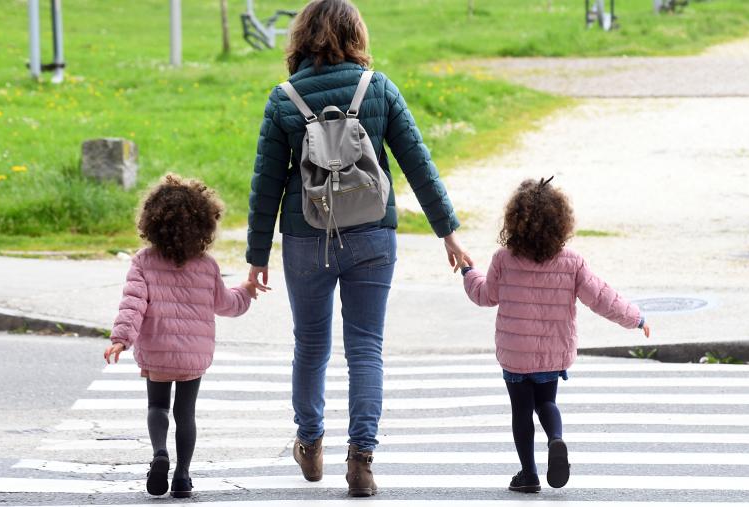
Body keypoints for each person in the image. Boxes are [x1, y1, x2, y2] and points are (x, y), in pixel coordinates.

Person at [245, 0, 472, 497]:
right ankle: (361, 461)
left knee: (310, 345)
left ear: (301, 37)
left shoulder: (284, 99)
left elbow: (266, 185)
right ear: (356, 35)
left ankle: (310, 444)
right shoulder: (379, 88)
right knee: (366, 348)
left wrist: (257, 257)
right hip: (372, 233)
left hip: (306, 238)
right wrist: (448, 233)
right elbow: (417, 164)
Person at [461, 177, 650, 493]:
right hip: (553, 353)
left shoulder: (503, 259)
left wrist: (469, 273)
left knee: (521, 411)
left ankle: (528, 475)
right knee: (546, 402)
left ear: (514, 222)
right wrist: (636, 317)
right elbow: (601, 297)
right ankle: (556, 439)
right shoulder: (572, 262)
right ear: (560, 223)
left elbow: (484, 295)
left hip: (515, 354)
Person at [103, 174, 259, 498]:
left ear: (152, 222)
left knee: (157, 407)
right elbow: (226, 304)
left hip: (157, 349)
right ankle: (183, 477)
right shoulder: (207, 266)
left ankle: (160, 453)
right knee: (185, 414)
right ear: (204, 225)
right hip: (193, 355)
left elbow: (133, 304)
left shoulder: (143, 262)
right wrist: (245, 292)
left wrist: (121, 338)